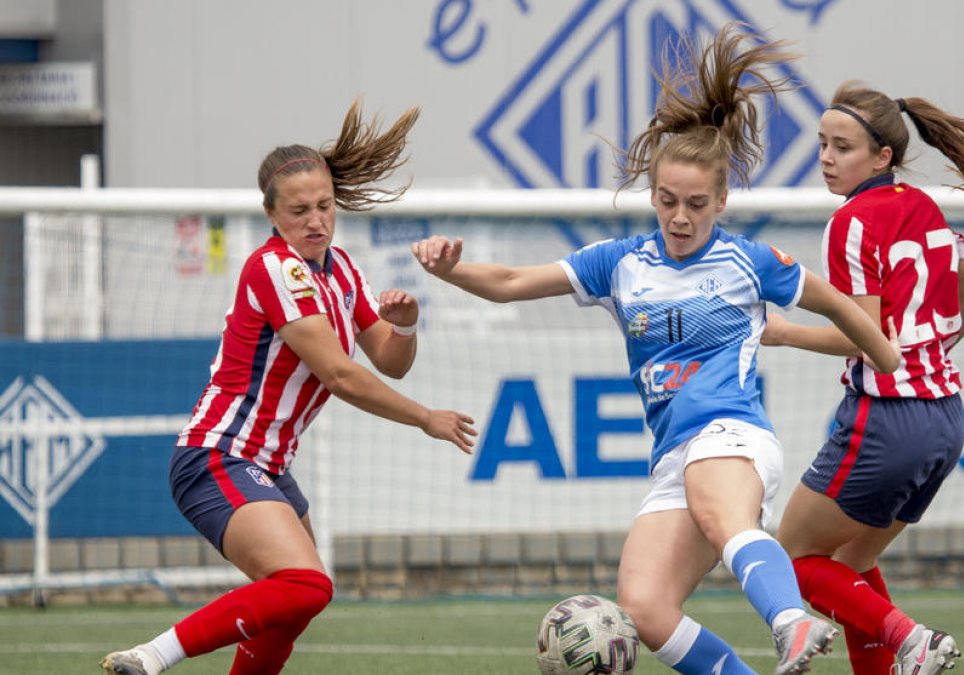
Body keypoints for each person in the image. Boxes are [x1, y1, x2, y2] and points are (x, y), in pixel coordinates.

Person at [411, 25, 901, 675]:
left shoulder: (749, 261)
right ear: (653, 196)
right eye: (667, 200)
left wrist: (885, 355)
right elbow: (508, 283)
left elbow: (836, 302)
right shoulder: (620, 263)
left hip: (731, 432)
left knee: (721, 510)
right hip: (675, 451)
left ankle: (790, 619)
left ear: (721, 201)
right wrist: (450, 270)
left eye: (696, 204)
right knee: (644, 605)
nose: (679, 216)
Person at [100, 99, 478, 675]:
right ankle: (152, 656)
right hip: (218, 455)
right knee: (305, 585)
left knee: (297, 603)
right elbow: (339, 373)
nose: (316, 221)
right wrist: (425, 417)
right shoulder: (277, 268)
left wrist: (404, 325)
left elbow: (389, 360)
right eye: (300, 210)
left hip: (266, 463)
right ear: (272, 215)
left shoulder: (342, 269)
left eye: (325, 206)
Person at [764, 81, 964, 675]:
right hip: (944, 420)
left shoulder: (851, 222)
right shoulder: (924, 206)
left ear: (882, 156)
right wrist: (927, 356)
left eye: (843, 147)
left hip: (887, 420)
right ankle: (898, 654)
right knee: (853, 565)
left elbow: (862, 335)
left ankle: (911, 637)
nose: (828, 159)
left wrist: (783, 333)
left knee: (788, 559)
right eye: (823, 145)